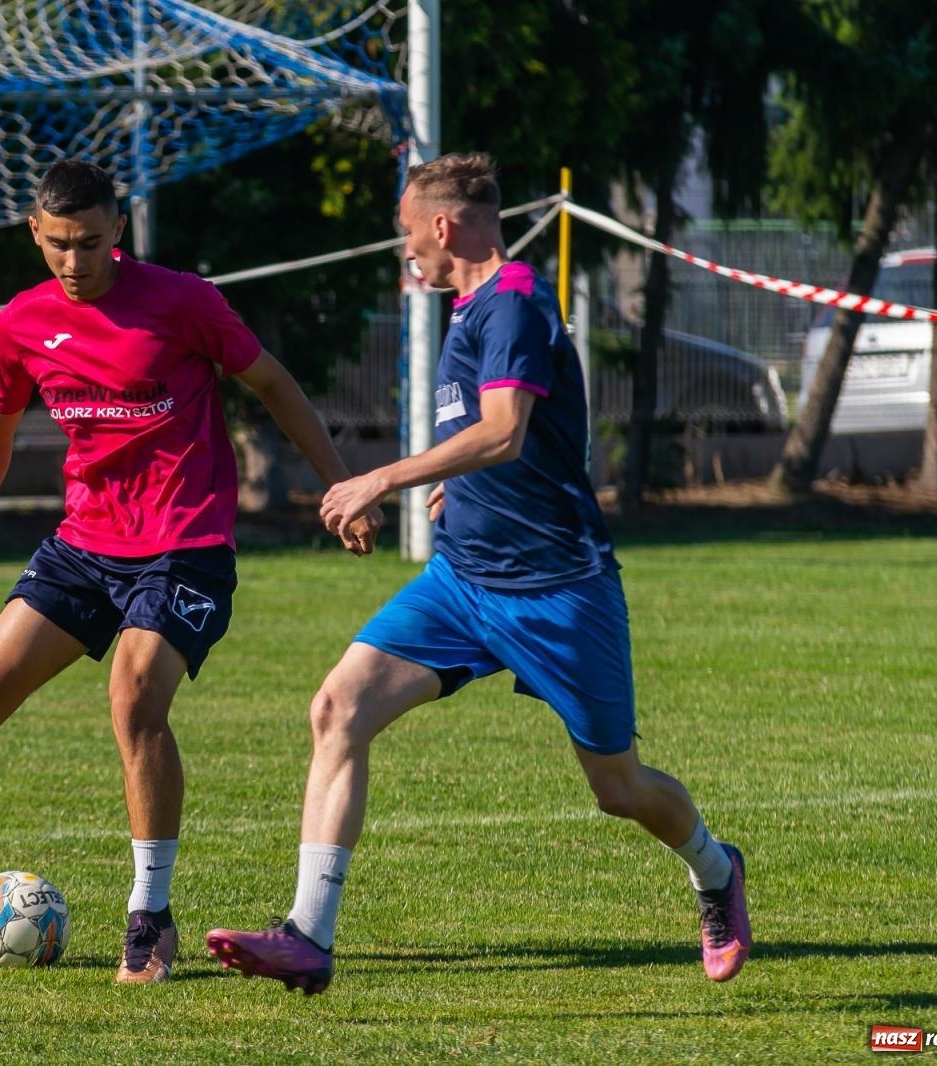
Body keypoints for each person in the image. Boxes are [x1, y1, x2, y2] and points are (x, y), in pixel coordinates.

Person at [205, 152, 750, 994]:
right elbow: (485, 441)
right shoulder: (466, 310)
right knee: (337, 708)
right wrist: (451, 491)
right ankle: (308, 936)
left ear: (443, 226)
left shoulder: (517, 303)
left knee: (619, 787)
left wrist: (387, 476)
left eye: (406, 236)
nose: (405, 253)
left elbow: (504, 431)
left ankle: (716, 872)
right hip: (463, 584)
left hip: (558, 589)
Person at [0, 159, 379, 985]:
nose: (73, 261)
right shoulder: (21, 323)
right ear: (34, 233)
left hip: (185, 545)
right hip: (86, 547)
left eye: (89, 243)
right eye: (56, 245)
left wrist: (339, 483)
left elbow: (273, 383)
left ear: (118, 229)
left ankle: (150, 918)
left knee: (134, 699)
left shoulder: (185, 302)